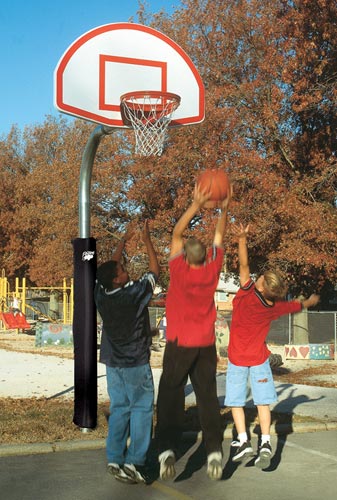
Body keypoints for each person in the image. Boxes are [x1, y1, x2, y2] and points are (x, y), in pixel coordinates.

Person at [226, 223, 320, 469]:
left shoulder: (246, 294)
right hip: (259, 360)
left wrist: (242, 240)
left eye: (260, 278)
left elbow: (244, 265)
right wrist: (307, 302)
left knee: (236, 402)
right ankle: (265, 443)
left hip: (237, 358)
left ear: (260, 286)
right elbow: (292, 307)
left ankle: (244, 440)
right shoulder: (272, 307)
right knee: (262, 403)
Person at [156, 182, 232, 481]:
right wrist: (224, 209)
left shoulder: (179, 270)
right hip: (205, 345)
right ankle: (214, 449)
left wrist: (196, 205)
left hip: (180, 344)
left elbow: (176, 233)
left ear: (184, 257)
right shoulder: (213, 269)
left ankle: (167, 449)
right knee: (208, 397)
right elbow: (219, 237)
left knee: (170, 395)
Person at [94, 220, 160, 485]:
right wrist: (146, 240)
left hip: (112, 362)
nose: (125, 270)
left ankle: (114, 457)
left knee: (120, 408)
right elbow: (155, 270)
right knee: (142, 409)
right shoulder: (132, 293)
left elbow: (109, 266)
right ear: (116, 279)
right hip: (134, 361)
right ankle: (135, 461)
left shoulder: (100, 292)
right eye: (122, 270)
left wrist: (122, 242)